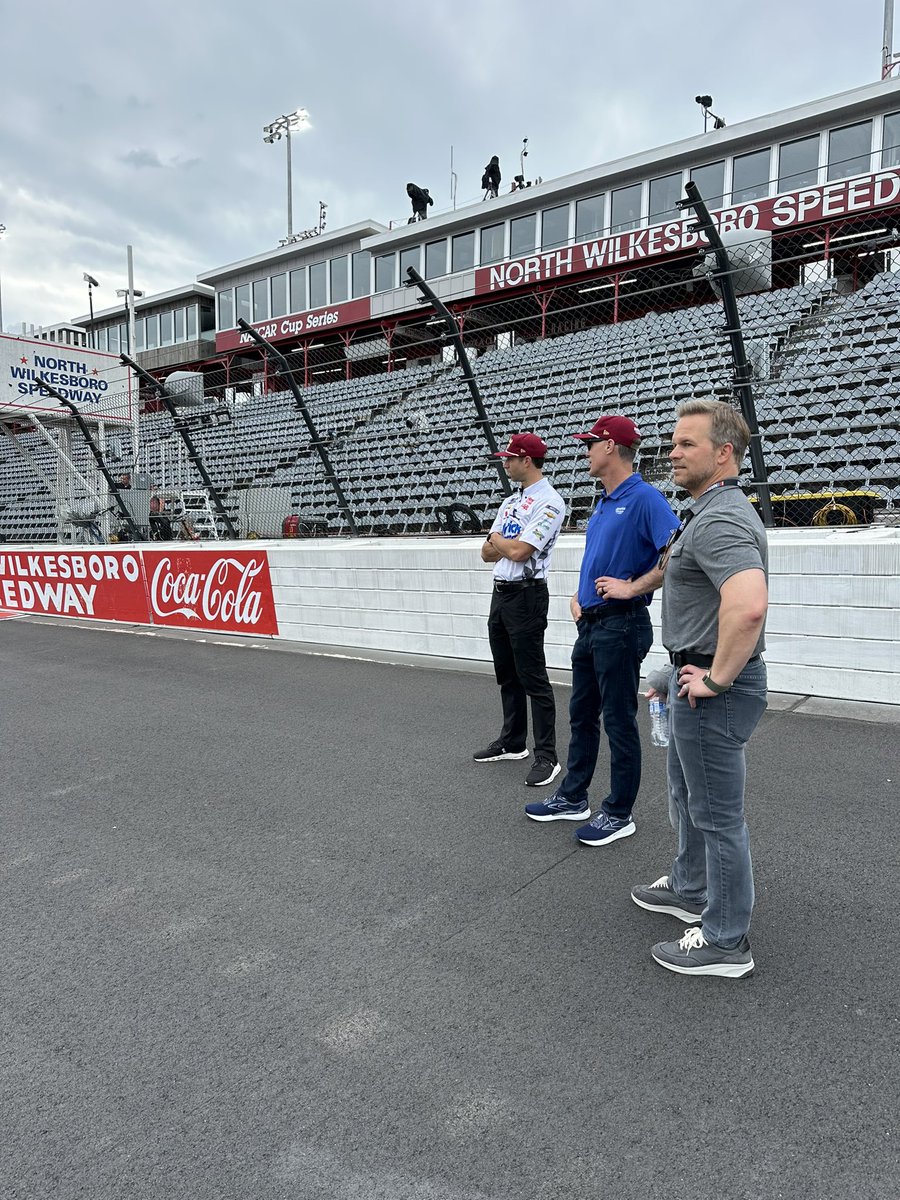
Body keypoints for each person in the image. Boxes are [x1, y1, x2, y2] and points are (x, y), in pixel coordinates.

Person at [632, 399, 768, 979]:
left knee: (717, 817)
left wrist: (714, 677)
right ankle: (691, 888)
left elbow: (748, 608)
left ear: (723, 453)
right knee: (690, 800)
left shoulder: (722, 519)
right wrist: (677, 667)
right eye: (672, 442)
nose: (672, 452)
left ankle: (726, 940)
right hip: (694, 677)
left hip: (717, 690)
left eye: (687, 443)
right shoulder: (708, 511)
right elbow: (714, 610)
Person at [524, 415, 678, 844]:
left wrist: (632, 587)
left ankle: (619, 812)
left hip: (621, 625)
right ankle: (574, 797)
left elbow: (675, 551)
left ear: (610, 446)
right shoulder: (605, 501)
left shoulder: (644, 497)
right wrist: (578, 597)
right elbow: (599, 558)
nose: (586, 450)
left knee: (617, 721)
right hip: (592, 624)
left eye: (591, 443)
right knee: (582, 716)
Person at [474, 433, 566, 788]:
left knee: (533, 677)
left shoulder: (550, 502)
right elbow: (486, 554)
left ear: (526, 460)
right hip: (501, 593)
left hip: (527, 595)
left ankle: (547, 755)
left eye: (510, 458)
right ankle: (513, 742)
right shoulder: (511, 501)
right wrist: (501, 543)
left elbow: (518, 552)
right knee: (506, 673)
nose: (505, 463)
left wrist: (498, 540)